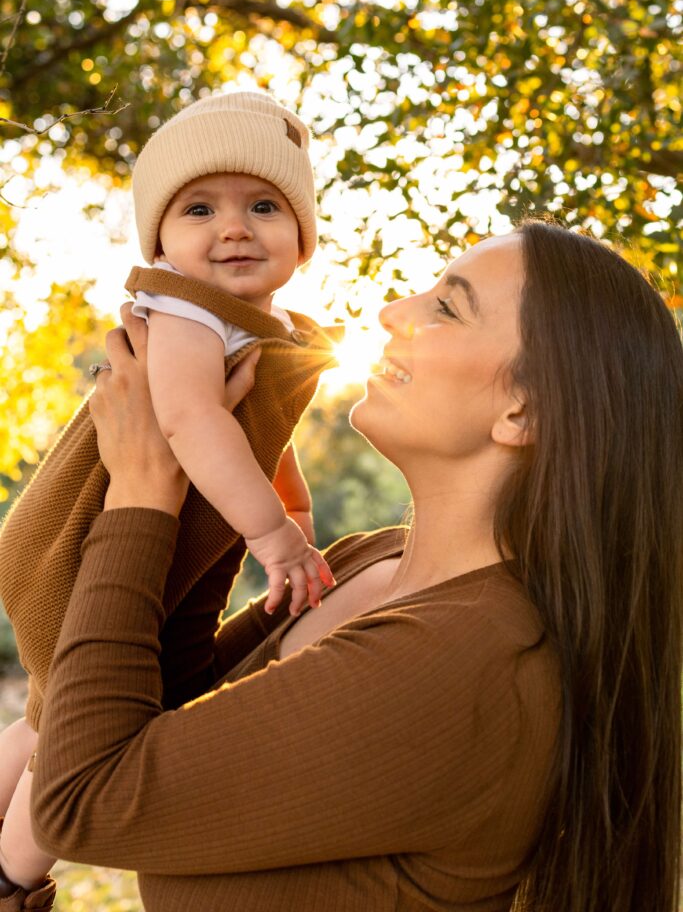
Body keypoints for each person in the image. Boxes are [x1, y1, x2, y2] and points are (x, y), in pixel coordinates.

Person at [4, 220, 682, 912]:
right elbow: (158, 696)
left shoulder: (466, 663)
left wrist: (141, 491)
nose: (393, 312)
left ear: (521, 409)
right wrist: (215, 464)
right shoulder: (372, 562)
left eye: (446, 306)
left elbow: (82, 796)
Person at [0, 91, 340, 900]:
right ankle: (10, 871)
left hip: (112, 553)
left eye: (263, 206)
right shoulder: (186, 311)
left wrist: (288, 501)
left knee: (45, 716)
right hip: (83, 551)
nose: (233, 228)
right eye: (199, 209)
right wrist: (273, 536)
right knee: (82, 728)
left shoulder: (257, 327)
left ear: (303, 233)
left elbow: (256, 426)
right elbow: (190, 419)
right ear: (160, 240)